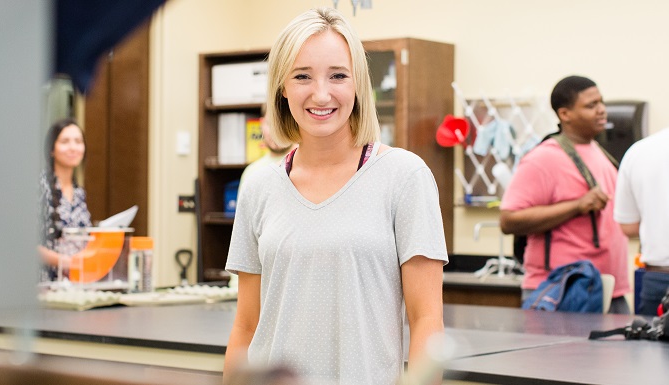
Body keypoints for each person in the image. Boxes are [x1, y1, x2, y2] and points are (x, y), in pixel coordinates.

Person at [224, 8, 447, 385]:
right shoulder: (259, 187)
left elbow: (426, 320)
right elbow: (247, 326)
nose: (321, 93)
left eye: (338, 76)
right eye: (302, 76)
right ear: (282, 87)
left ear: (358, 84)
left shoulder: (405, 177)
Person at [499, 75, 630, 314]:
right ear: (564, 114)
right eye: (591, 105)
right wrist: (577, 206)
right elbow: (508, 220)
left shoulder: (599, 152)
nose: (602, 110)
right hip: (563, 291)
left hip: (610, 288)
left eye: (601, 102)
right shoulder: (543, 158)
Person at [613, 127, 669, 315]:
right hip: (658, 279)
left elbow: (628, 226)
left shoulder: (639, 152)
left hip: (658, 278)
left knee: (654, 344)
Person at [38, 118, 92, 282]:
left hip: (74, 283)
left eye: (78, 141)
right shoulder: (40, 186)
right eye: (65, 141)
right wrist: (67, 263)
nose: (73, 147)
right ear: (51, 149)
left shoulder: (79, 192)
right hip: (44, 282)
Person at [239, 105, 295, 185]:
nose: (276, 131)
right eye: (270, 124)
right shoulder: (251, 172)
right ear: (262, 124)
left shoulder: (306, 165)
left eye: (282, 123)